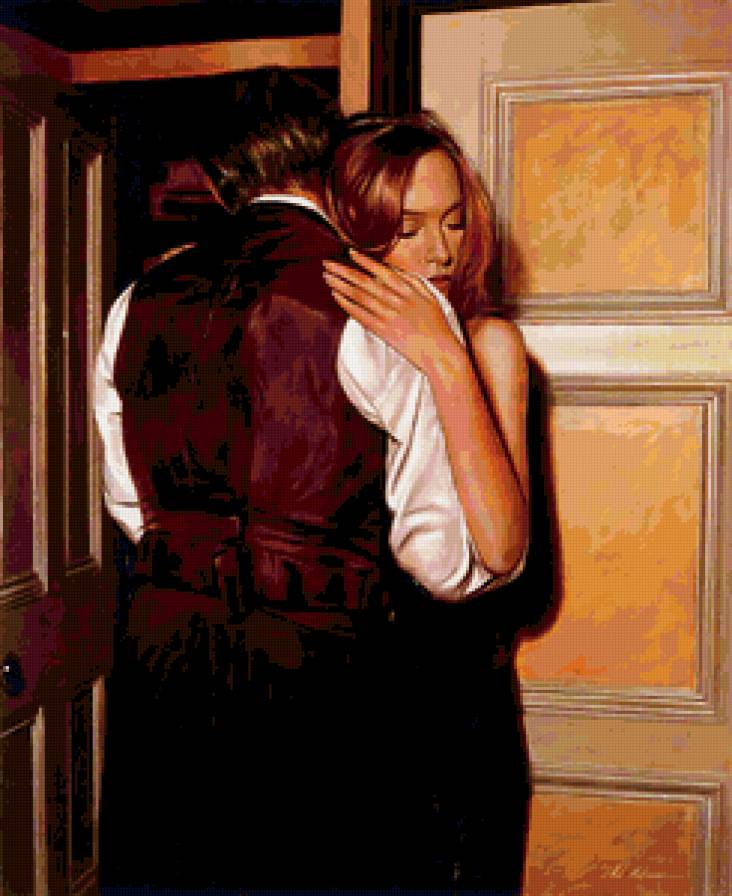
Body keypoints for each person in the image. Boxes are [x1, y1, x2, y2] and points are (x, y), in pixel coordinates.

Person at [95, 70, 522, 890]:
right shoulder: (386, 303)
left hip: (164, 660)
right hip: (324, 675)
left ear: (220, 177)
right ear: (333, 169)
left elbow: (132, 506)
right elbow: (446, 561)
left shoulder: (137, 300)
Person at [321, 111, 532, 892]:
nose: (441, 252)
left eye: (453, 221)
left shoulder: (488, 346)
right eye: (407, 229)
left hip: (458, 725)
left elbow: (506, 553)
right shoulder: (317, 347)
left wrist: (446, 360)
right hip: (341, 717)